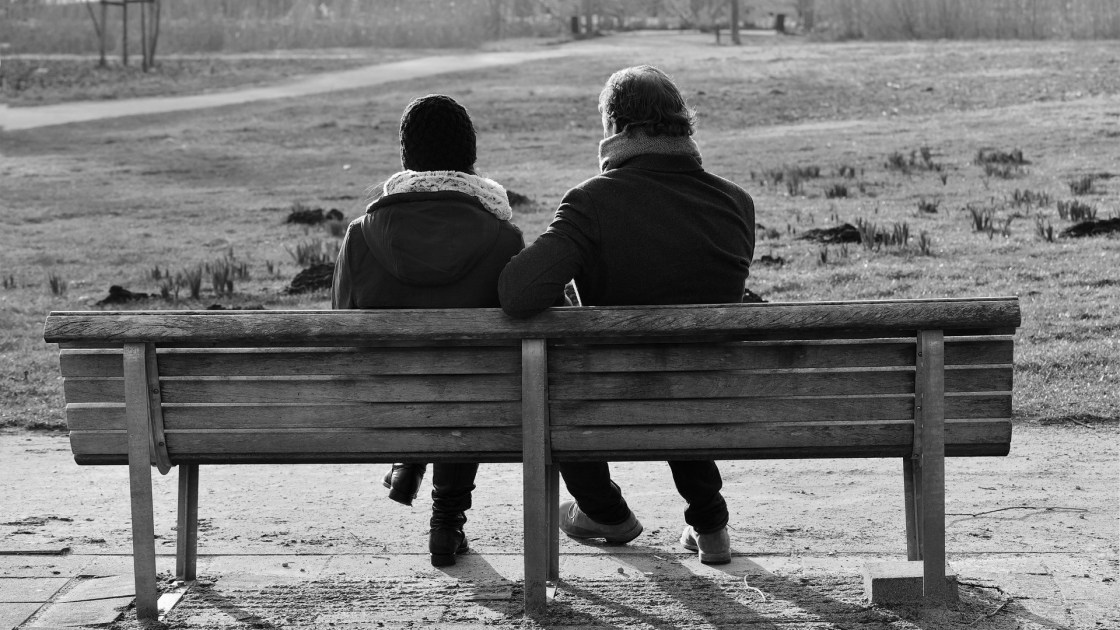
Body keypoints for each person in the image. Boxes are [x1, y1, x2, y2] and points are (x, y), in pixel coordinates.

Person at [497, 65, 756, 565]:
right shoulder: (737, 203)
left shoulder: (592, 200)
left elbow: (517, 291)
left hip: (611, 396)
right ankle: (710, 523)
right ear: (682, 124)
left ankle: (605, 512)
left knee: (553, 373)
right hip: (713, 395)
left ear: (616, 127)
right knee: (683, 355)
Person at [332, 94, 525, 567]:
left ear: (406, 157)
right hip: (477, 402)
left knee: (428, 377)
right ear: (470, 156)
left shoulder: (360, 234)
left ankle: (410, 458)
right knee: (466, 381)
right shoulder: (503, 236)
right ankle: (447, 522)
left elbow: (340, 322)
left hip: (385, 402)